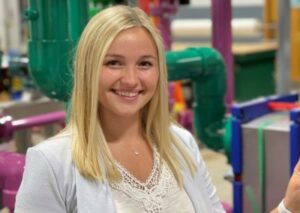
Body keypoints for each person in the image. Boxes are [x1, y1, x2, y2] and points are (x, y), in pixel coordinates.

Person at [15, 5, 225, 213]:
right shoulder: (52, 162)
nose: (131, 80)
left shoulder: (181, 143)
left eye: (144, 64)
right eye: (114, 63)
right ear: (89, 69)